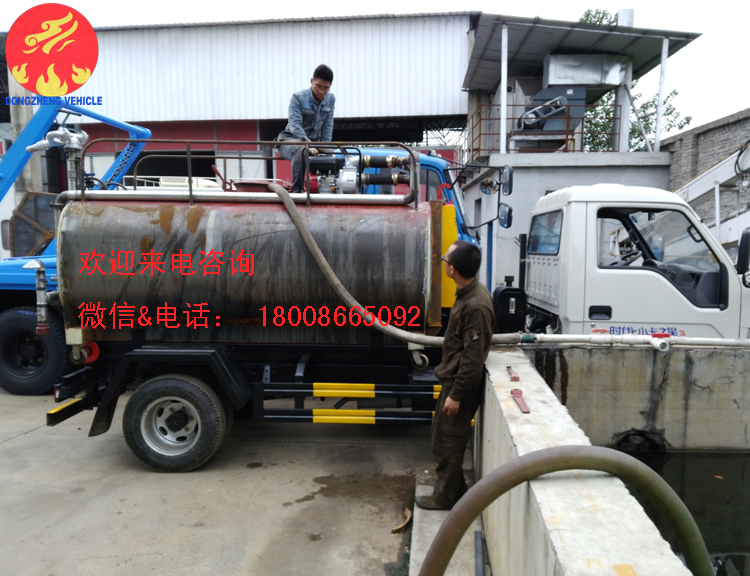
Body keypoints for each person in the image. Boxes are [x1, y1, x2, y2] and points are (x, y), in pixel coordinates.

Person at [416, 240, 495, 510]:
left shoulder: (475, 305)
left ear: (453, 269)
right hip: (454, 379)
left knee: (448, 443)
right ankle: (457, 489)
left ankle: (445, 497)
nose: (444, 265)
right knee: (442, 437)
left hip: (459, 384)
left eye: (445, 261)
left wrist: (457, 394)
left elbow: (473, 357)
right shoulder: (468, 294)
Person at [277, 64, 336, 193]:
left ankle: (330, 187)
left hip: (313, 144)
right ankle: (297, 190)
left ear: (330, 86)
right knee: (301, 149)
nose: (321, 91)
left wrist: (327, 149)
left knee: (336, 153)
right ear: (311, 81)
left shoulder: (330, 99)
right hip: (289, 141)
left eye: (325, 88)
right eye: (318, 86)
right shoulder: (297, 98)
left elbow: (327, 127)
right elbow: (295, 126)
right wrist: (308, 144)